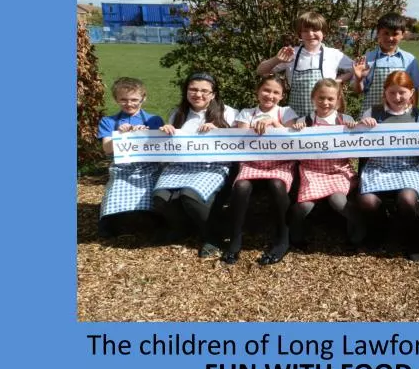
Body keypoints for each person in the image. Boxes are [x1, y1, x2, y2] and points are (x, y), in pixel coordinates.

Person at [153, 72, 237, 257]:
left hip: (213, 167)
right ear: (186, 91)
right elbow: (169, 145)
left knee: (189, 196)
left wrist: (220, 131)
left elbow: (237, 141)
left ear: (213, 94)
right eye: (193, 89)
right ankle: (184, 228)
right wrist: (166, 131)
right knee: (160, 197)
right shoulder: (177, 113)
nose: (198, 94)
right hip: (180, 166)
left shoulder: (228, 112)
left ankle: (213, 236)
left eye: (204, 91)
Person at [355, 71, 419, 261]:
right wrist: (362, 127)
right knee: (367, 201)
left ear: (411, 92)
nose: (397, 98)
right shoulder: (372, 112)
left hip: (409, 166)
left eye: (402, 92)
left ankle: (413, 235)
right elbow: (358, 145)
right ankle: (380, 230)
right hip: (378, 166)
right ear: (385, 93)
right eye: (392, 93)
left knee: (407, 199)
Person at [221, 74, 299, 266]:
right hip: (252, 163)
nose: (270, 95)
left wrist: (275, 125)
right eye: (266, 90)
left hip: (279, 164)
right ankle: (236, 238)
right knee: (241, 187)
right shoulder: (246, 113)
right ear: (257, 91)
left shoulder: (286, 112)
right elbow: (243, 139)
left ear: (282, 96)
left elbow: (292, 141)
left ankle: (282, 237)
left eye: (275, 92)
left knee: (277, 185)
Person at [287, 78, 361, 248]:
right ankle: (294, 235)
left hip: (338, 171)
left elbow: (358, 146)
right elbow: (291, 145)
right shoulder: (304, 121)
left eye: (330, 99)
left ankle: (358, 229)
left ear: (338, 100)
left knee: (339, 202)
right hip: (312, 171)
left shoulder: (345, 120)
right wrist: (296, 130)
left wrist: (354, 129)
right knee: (303, 207)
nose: (325, 103)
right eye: (321, 98)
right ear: (313, 97)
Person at [96, 77, 164, 238]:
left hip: (148, 168)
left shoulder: (154, 120)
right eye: (123, 100)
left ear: (143, 98)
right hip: (122, 169)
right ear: (116, 99)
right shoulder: (108, 121)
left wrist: (145, 134)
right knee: (112, 212)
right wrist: (121, 135)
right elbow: (107, 149)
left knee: (148, 209)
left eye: (134, 100)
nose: (129, 104)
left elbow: (161, 149)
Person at [257, 11, 353, 117]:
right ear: (300, 34)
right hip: (296, 116)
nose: (310, 34)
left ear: (324, 32)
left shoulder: (333, 54)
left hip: (325, 115)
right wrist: (277, 59)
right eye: (305, 31)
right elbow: (261, 71)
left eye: (315, 30)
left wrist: (337, 81)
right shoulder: (292, 53)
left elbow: (355, 70)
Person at [352, 12, 419, 111]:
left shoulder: (409, 59)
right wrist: (359, 79)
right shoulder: (368, 58)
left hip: (400, 115)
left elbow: (415, 89)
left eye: (395, 34)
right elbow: (358, 91)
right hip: (372, 116)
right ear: (378, 33)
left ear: (402, 35)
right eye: (386, 33)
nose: (390, 38)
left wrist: (414, 112)